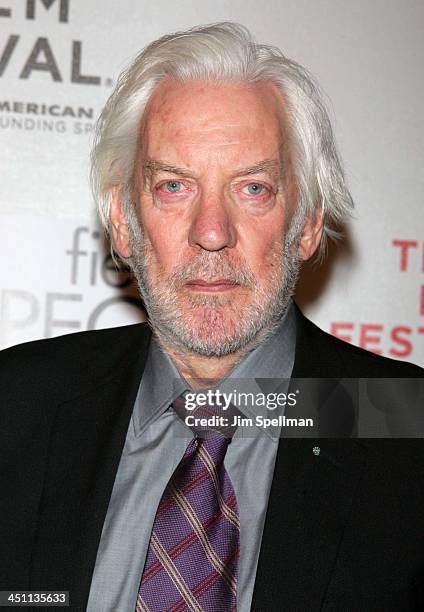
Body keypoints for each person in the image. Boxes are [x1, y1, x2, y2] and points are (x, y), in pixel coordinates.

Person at [1, 22, 423, 612]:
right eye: (174, 186)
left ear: (304, 223)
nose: (211, 233)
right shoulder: (14, 407)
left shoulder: (406, 427)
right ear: (123, 222)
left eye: (252, 188)